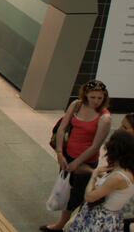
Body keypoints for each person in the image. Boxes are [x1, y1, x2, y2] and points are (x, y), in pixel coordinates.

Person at [43, 80, 113, 231]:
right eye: (92, 97)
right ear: (85, 95)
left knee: (79, 196)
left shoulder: (104, 117)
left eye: (100, 98)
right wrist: (60, 153)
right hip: (67, 155)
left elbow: (95, 146)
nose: (96, 101)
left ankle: (75, 225)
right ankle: (61, 224)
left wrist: (77, 162)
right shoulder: (76, 105)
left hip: (85, 161)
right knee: (66, 190)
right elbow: (62, 128)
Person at [62, 130, 134, 232]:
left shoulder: (118, 177)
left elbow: (89, 197)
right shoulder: (127, 170)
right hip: (111, 217)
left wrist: (94, 176)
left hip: (99, 219)